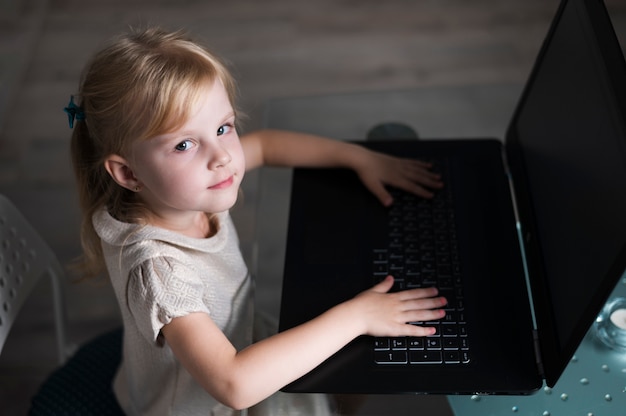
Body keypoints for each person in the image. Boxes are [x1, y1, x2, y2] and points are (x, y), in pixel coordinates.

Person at [66, 27, 446, 416]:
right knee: (352, 350)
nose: (222, 157)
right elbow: (235, 385)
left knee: (348, 360)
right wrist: (358, 316)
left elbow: (264, 144)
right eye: (183, 144)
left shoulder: (181, 191)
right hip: (203, 403)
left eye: (222, 128)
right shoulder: (158, 269)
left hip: (234, 344)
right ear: (128, 173)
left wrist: (357, 157)